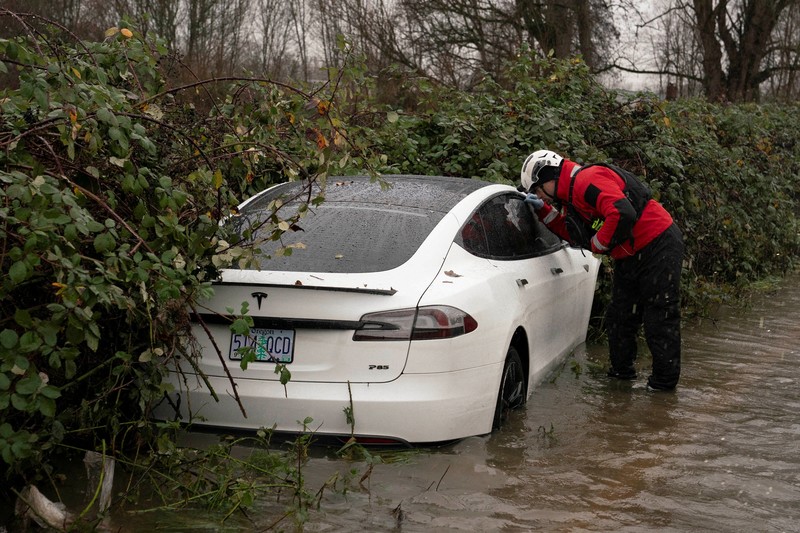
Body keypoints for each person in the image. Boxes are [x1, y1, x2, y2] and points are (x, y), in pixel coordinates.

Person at [520, 149, 684, 390]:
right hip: (629, 254)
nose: (540, 197)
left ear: (548, 178)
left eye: (537, 191)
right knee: (620, 318)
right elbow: (575, 234)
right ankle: (620, 380)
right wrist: (543, 212)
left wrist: (600, 243)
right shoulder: (572, 196)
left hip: (658, 243)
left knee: (659, 316)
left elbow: (622, 212)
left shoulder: (587, 181)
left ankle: (663, 389)